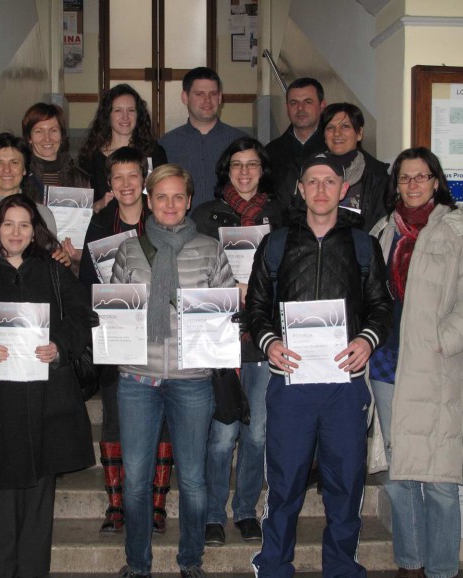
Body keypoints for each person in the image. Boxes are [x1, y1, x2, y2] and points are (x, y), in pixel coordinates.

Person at [245, 152, 392, 578]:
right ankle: (274, 566)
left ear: (343, 189)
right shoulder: (275, 244)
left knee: (345, 484)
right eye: (313, 181)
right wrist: (270, 343)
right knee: (285, 484)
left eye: (330, 181)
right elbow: (256, 308)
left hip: (344, 386)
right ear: (301, 189)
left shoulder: (363, 245)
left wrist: (367, 339)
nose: (321, 189)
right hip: (290, 383)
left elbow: (382, 308)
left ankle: (342, 567)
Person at [0, 194, 95, 578]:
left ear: (34, 231)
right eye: (8, 224)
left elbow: (83, 317)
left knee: (40, 503)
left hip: (47, 401)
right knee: (4, 503)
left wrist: (60, 346)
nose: (16, 232)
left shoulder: (54, 270)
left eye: (24, 225)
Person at [369, 147, 463, 578]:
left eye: (421, 176)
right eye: (405, 178)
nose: (413, 185)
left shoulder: (461, 232)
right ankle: (410, 562)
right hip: (387, 366)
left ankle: (441, 569)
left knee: (440, 480)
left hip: (436, 367)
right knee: (399, 474)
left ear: (436, 181)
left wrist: (442, 341)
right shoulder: (384, 231)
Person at [111, 164, 235, 578]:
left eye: (178, 196)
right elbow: (116, 314)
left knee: (194, 479)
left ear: (189, 200)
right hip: (137, 378)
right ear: (149, 200)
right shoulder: (129, 250)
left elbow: (224, 315)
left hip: (193, 379)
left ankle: (191, 560)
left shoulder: (210, 249)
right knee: (135, 480)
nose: (170, 204)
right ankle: (137, 563)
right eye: (161, 196)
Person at [191, 137, 282, 546]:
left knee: (257, 433)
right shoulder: (205, 216)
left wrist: (262, 289)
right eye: (237, 165)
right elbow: (191, 272)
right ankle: (213, 513)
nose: (245, 173)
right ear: (226, 171)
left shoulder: (281, 215)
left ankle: (246, 509)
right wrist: (225, 290)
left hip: (265, 338)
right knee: (223, 435)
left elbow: (290, 272)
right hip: (221, 337)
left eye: (252, 165)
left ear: (263, 170)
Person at [78, 147, 173, 535]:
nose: (126, 184)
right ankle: (116, 505)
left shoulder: (162, 219)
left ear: (145, 180)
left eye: (133, 175)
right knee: (115, 418)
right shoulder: (100, 224)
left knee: (162, 418)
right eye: (117, 177)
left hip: (160, 336)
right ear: (109, 183)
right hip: (115, 335)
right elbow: (86, 283)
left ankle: (156, 505)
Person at [0, 132, 70, 269]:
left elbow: (49, 264)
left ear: (24, 170)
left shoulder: (42, 213)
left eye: (14, 163)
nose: (7, 170)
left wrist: (61, 258)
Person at [158, 67, 246, 210]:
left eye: (213, 94)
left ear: (220, 97)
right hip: (182, 223)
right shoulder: (166, 145)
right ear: (185, 97)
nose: (207, 100)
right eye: (199, 94)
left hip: (230, 221)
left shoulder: (241, 142)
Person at [79, 84, 167, 212]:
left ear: (138, 115)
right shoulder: (91, 158)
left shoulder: (154, 152)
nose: (125, 117)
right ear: (108, 115)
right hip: (106, 223)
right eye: (118, 110)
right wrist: (99, 205)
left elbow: (165, 195)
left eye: (131, 110)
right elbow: (81, 209)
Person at [321, 102, 389, 232]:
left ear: (359, 133)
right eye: (330, 128)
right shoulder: (309, 173)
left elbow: (380, 224)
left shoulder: (377, 176)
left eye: (345, 126)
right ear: (324, 135)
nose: (337, 133)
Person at [265, 77, 327, 215]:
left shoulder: (333, 149)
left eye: (308, 102)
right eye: (294, 103)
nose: (300, 108)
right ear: (287, 108)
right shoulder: (271, 152)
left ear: (322, 106)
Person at [21, 102, 90, 204]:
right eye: (39, 131)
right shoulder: (19, 176)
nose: (47, 138)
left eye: (53, 130)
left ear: (62, 136)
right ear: (29, 138)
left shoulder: (79, 178)